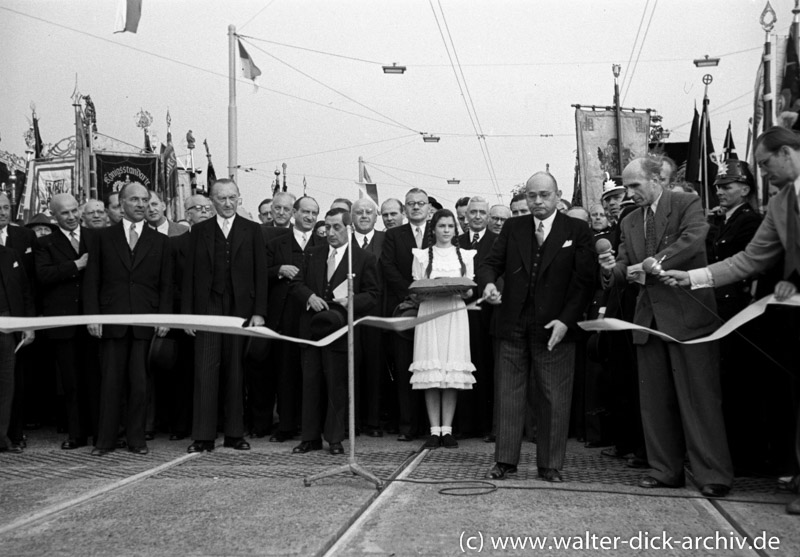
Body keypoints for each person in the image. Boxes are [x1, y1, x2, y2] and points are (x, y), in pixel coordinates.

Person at [661, 126, 800, 513]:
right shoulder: (780, 205)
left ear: (787, 153)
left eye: (766, 165)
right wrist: (694, 277)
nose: (765, 176)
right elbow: (750, 260)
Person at [599, 156, 733, 498]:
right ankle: (664, 470)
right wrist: (609, 269)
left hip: (689, 318)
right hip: (648, 321)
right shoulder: (629, 221)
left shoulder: (686, 202)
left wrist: (653, 264)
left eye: (635, 186)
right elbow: (624, 266)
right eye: (626, 187)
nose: (630, 194)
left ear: (657, 179)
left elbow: (693, 239)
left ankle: (712, 474)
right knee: (655, 400)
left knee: (699, 398)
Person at [479, 171, 595, 482]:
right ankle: (504, 461)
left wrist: (567, 321)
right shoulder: (514, 227)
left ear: (558, 196)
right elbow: (490, 263)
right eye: (532, 196)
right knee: (508, 394)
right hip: (511, 324)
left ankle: (550, 464)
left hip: (556, 326)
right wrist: (488, 285)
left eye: (544, 195)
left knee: (554, 397)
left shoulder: (577, 229)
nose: (538, 202)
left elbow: (585, 282)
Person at [83, 183, 172, 456]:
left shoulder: (160, 241)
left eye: (145, 200)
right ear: (121, 204)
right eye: (135, 199)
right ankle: (106, 441)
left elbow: (166, 284)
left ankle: (137, 440)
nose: (141, 204)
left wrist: (164, 318)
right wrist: (93, 316)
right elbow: (92, 280)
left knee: (139, 383)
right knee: (110, 383)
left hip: (145, 322)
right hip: (112, 319)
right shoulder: (103, 238)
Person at [182, 179, 267, 453]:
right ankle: (203, 436)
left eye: (232, 198)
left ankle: (234, 434)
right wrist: (188, 316)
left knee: (235, 371)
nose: (228, 203)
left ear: (239, 198)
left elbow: (261, 274)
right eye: (222, 199)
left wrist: (259, 313)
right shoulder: (200, 231)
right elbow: (189, 276)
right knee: (205, 371)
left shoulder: (253, 230)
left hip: (240, 309)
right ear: (212, 201)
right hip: (208, 306)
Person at [291, 208, 379, 454]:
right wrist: (309, 296)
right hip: (311, 328)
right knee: (310, 383)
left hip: (341, 330)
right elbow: (296, 284)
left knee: (337, 385)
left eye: (336, 227)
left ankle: (335, 437)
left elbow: (373, 295)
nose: (330, 232)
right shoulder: (313, 254)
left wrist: (351, 300)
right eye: (327, 227)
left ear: (349, 228)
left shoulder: (362, 258)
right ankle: (309, 437)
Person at [410, 209, 476, 449]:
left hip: (454, 313)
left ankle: (447, 430)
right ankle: (433, 429)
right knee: (432, 370)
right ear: (434, 229)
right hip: (429, 314)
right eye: (441, 226)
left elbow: (469, 290)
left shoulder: (465, 256)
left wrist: (460, 290)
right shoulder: (421, 256)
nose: (446, 230)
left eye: (450, 226)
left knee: (450, 371)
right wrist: (428, 290)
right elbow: (415, 290)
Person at [34, 194, 93, 450]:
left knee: (96, 378)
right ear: (54, 216)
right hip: (64, 323)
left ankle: (101, 431)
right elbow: (42, 275)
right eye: (64, 214)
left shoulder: (95, 237)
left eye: (73, 211)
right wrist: (75, 265)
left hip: (94, 320)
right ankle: (76, 434)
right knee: (70, 382)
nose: (70, 217)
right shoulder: (45, 243)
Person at [263, 195, 320, 442]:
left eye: (314, 214)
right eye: (305, 212)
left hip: (313, 316)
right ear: (294, 213)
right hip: (284, 315)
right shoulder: (276, 242)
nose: (309, 217)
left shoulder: (323, 243)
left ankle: (310, 427)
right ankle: (285, 425)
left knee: (311, 372)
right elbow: (258, 273)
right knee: (285, 371)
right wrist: (278, 270)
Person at [381, 188, 431, 441]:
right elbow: (388, 267)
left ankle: (432, 426)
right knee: (404, 368)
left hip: (434, 307)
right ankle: (408, 426)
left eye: (420, 203)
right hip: (404, 306)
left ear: (428, 207)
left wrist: (428, 294)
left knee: (431, 366)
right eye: (410, 204)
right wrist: (411, 293)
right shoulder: (394, 235)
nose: (415, 208)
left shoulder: (439, 232)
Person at [456, 197, 496, 440]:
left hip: (487, 314)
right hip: (459, 313)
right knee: (461, 366)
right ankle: (464, 424)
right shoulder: (456, 242)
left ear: (488, 216)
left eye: (482, 212)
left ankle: (485, 424)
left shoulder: (497, 241)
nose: (478, 216)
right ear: (465, 216)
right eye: (473, 212)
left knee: (485, 367)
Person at [351, 198, 386, 437]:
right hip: (347, 314)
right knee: (351, 367)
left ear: (376, 217)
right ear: (351, 217)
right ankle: (352, 421)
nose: (364, 216)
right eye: (359, 212)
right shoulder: (344, 240)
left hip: (376, 313)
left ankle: (373, 421)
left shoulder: (386, 240)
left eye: (369, 212)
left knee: (374, 368)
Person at [0, 244, 35, 453]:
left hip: (7, 329)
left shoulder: (9, 253)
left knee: (6, 386)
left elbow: (24, 291)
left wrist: (28, 325)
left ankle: (1, 438)